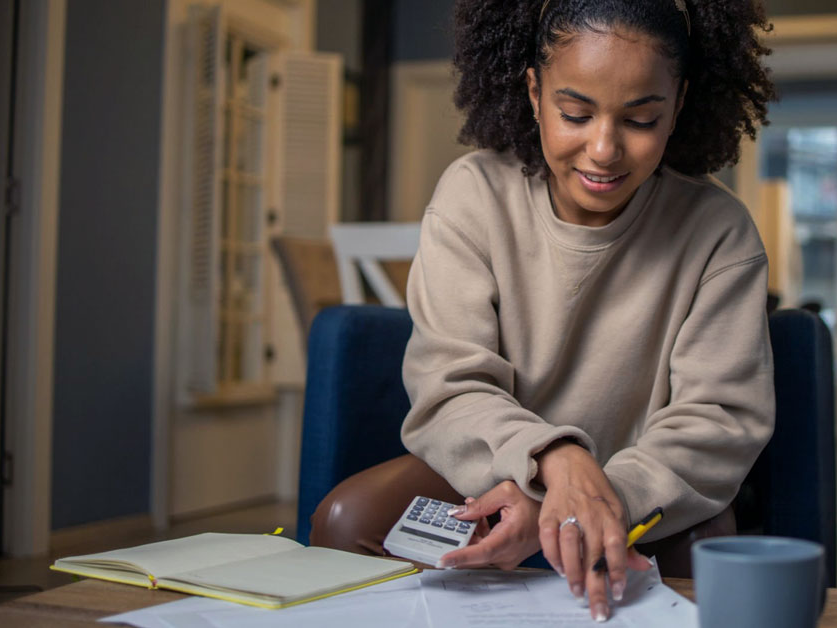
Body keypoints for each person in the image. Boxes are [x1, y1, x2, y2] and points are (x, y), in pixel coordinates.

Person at [311, 0, 777, 621]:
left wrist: (587, 504)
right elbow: (450, 387)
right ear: (533, 91)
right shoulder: (473, 195)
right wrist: (553, 464)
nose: (604, 149)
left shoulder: (720, 232)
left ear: (680, 103)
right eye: (576, 113)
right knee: (348, 520)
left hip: (642, 487)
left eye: (640, 119)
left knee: (708, 546)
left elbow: (718, 420)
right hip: (493, 466)